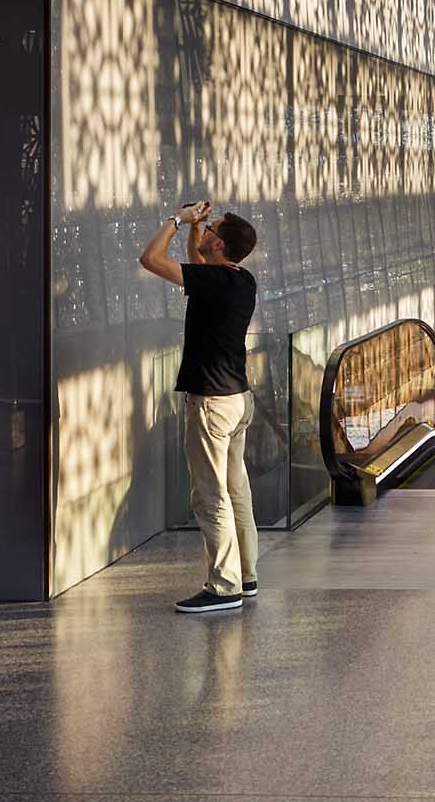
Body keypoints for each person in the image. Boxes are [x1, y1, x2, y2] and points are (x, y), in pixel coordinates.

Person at [139, 200, 261, 615]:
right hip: (238, 400)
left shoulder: (214, 282)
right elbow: (198, 262)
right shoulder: (242, 280)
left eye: (213, 230)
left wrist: (178, 220)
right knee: (236, 490)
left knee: (210, 497)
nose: (206, 231)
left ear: (221, 245)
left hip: (211, 403)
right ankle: (246, 575)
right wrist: (198, 230)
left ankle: (224, 586)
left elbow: (151, 258)